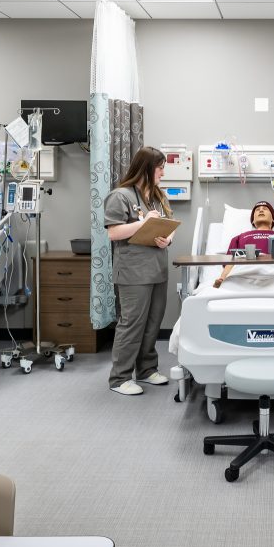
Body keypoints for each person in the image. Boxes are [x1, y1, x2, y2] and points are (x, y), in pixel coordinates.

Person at [104, 146, 175, 396]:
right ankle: (119, 378)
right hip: (133, 272)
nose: (163, 173)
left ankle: (146, 370)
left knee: (153, 323)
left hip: (157, 269)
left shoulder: (158, 196)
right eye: (160, 167)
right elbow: (113, 233)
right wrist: (143, 223)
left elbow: (170, 224)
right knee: (131, 324)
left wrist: (168, 238)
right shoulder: (120, 196)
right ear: (146, 168)